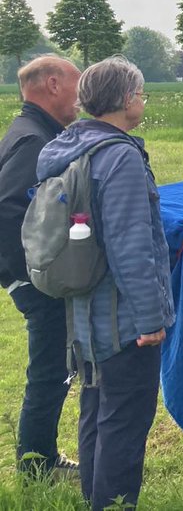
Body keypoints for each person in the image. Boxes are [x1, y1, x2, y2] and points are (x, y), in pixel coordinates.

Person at [37, 56, 175, 509]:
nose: (142, 99)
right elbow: (130, 244)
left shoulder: (69, 146)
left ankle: (96, 501)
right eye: (139, 92)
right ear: (126, 99)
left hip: (84, 314)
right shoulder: (119, 156)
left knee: (96, 414)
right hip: (125, 322)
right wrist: (151, 319)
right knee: (125, 423)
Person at [0, 56, 81, 478]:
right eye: (76, 85)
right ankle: (37, 465)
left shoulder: (32, 130)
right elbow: (8, 209)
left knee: (53, 366)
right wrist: (30, 278)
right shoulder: (34, 141)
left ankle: (38, 458)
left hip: (34, 277)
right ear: (52, 84)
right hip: (37, 281)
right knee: (50, 369)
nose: (81, 96)